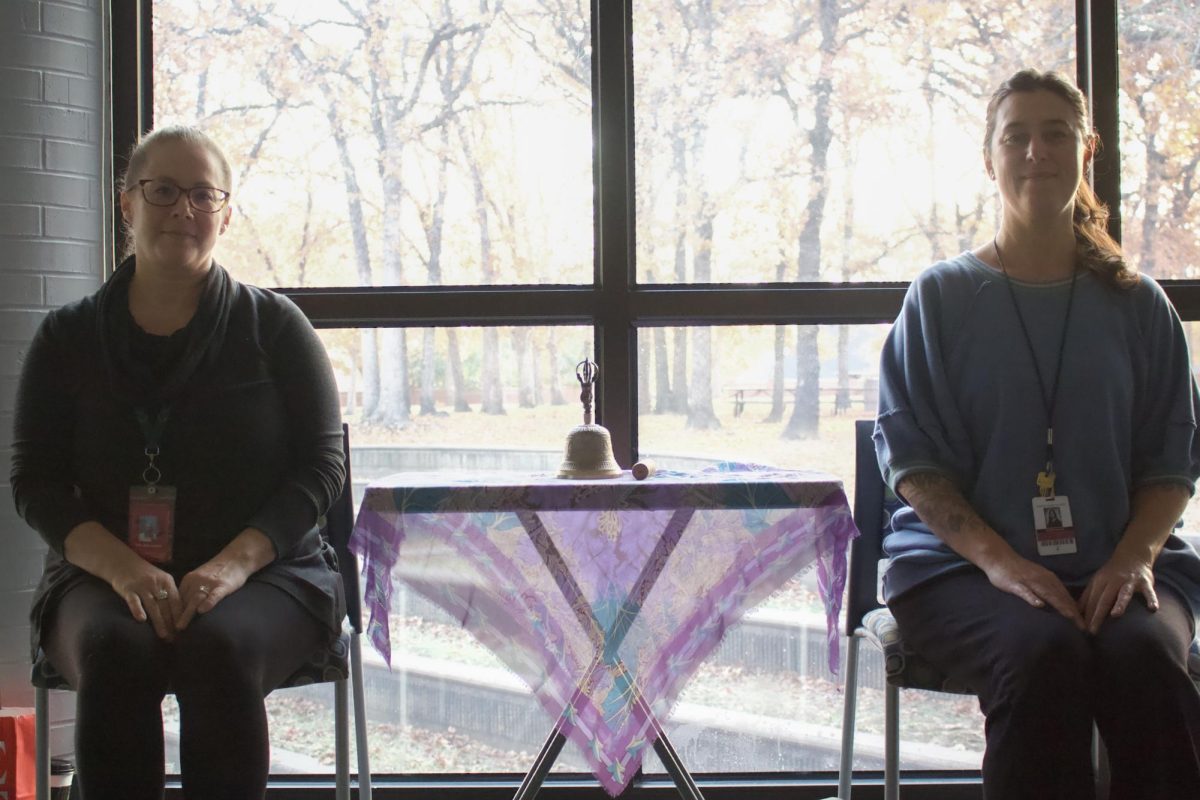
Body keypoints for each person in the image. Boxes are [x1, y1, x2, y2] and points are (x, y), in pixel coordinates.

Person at [875, 69, 1200, 798]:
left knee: (1144, 660)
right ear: (989, 160)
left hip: (1121, 559)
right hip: (959, 569)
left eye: (1055, 134)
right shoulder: (942, 297)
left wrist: (1130, 560)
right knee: (1044, 651)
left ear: (1087, 152)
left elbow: (1171, 463)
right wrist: (1001, 564)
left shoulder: (1140, 305)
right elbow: (917, 468)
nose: (1035, 152)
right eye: (1014, 136)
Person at [11, 126, 347, 800]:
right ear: (127, 204)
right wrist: (124, 568)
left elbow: (322, 467)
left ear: (225, 213)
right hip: (103, 573)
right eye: (162, 190)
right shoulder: (66, 337)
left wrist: (230, 565)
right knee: (116, 652)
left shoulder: (276, 328)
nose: (182, 210)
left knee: (216, 649)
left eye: (202, 195)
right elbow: (35, 481)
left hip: (269, 573)